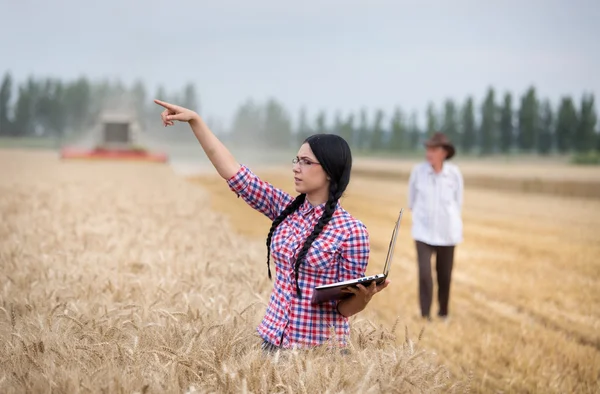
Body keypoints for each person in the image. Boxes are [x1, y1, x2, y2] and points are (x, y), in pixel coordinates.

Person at [154, 99, 390, 351]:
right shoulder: (285, 209)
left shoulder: (352, 232)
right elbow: (233, 172)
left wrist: (363, 300)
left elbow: (343, 308)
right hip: (272, 342)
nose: (296, 168)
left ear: (331, 171)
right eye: (296, 160)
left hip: (318, 354)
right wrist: (195, 121)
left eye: (306, 162)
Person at [407, 132, 463, 321]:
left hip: (447, 233)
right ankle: (425, 315)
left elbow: (458, 203)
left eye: (433, 149)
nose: (429, 153)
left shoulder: (454, 174)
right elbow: (412, 201)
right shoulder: (418, 172)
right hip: (423, 232)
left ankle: (443, 313)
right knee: (424, 273)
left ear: (444, 153)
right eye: (428, 149)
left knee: (444, 275)